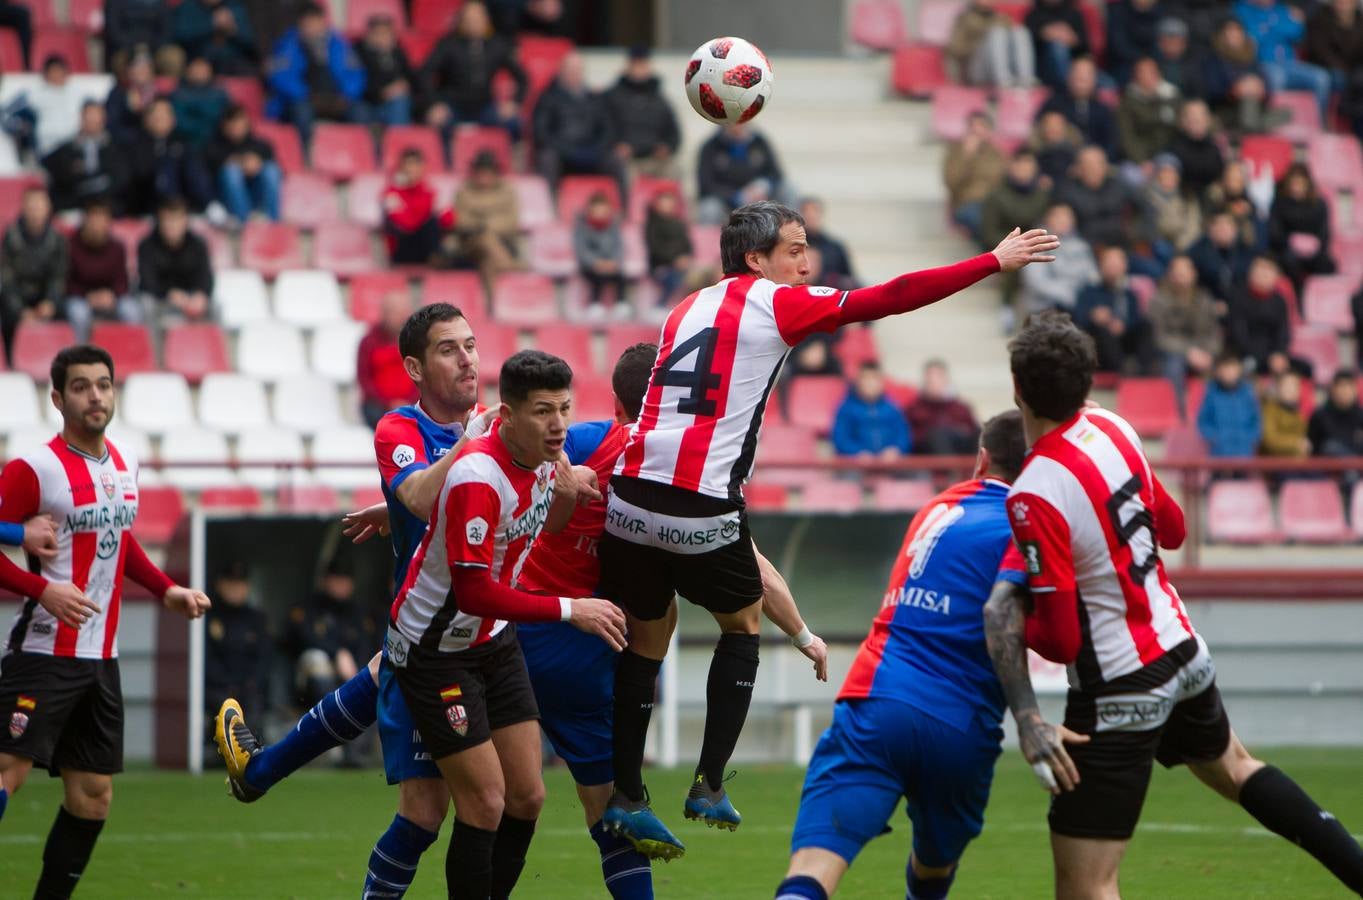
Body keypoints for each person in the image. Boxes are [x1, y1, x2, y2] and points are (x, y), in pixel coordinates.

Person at [596, 201, 1058, 859]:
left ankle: (626, 795)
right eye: (793, 249)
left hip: (628, 501)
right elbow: (889, 298)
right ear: (756, 260)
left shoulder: (684, 307)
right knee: (740, 625)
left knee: (647, 641)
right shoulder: (773, 304)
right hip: (698, 501)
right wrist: (992, 262)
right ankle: (705, 784)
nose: (805, 263)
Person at [986, 311, 1363, 899]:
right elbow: (1176, 528)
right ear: (1088, 383)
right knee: (1237, 768)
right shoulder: (1114, 428)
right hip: (1182, 650)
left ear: (1017, 388)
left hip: (1119, 683)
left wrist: (1009, 616)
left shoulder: (1035, 490)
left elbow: (1061, 642)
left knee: (1087, 886)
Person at [516, 342, 829, 899]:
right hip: (585, 643)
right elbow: (752, 568)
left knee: (486, 803)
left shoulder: (589, 438)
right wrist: (803, 634)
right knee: (595, 812)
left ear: (615, 403)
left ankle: (634, 795)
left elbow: (514, 445)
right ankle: (696, 783)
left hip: (530, 630)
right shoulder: (686, 466)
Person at [217, 303, 494, 900]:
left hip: (490, 631)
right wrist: (414, 493)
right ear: (415, 368)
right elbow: (423, 496)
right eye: (450, 348)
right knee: (428, 811)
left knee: (510, 795)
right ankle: (260, 771)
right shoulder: (403, 429)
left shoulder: (496, 429)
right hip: (431, 636)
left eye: (471, 344)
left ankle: (260, 770)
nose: (468, 357)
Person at [386, 350, 626, 900]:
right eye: (543, 411)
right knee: (485, 802)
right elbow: (471, 591)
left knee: (527, 798)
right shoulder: (478, 475)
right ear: (507, 416)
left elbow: (541, 526)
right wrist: (572, 609)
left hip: (491, 638)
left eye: (564, 408)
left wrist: (566, 490)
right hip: (435, 647)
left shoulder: (546, 458)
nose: (559, 423)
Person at [774, 412, 1030, 900]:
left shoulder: (934, 508)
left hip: (877, 701)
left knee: (813, 868)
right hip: (961, 724)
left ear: (981, 460)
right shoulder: (1025, 528)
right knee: (934, 869)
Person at [0, 344, 210, 893]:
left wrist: (166, 590)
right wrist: (42, 588)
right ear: (57, 398)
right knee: (6, 773)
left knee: (93, 796)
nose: (95, 395)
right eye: (81, 386)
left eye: (103, 384)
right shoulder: (35, 468)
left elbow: (119, 541)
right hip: (44, 652)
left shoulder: (125, 461)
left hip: (102, 658)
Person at [283, 556, 377, 721]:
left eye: (345, 580)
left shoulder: (359, 613)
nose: (341, 585)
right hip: (312, 684)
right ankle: (332, 719)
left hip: (351, 678)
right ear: (326, 580)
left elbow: (366, 646)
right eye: (337, 579)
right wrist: (337, 653)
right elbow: (302, 638)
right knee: (316, 658)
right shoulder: (309, 607)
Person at [421, 0, 526, 142]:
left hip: (484, 107)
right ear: (461, 21)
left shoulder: (497, 45)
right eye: (469, 19)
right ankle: (448, 162)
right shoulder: (448, 44)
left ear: (486, 20)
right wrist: (433, 104)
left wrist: (514, 103)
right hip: (453, 106)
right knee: (438, 124)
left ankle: (507, 161)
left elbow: (522, 77)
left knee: (513, 124)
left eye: (477, 18)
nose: (473, 23)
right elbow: (425, 73)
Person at [265, 2, 367, 145]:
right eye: (308, 23)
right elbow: (280, 76)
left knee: (361, 113)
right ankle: (306, 155)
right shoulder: (288, 44)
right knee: (302, 113)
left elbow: (355, 73)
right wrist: (304, 94)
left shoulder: (339, 44)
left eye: (316, 21)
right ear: (300, 23)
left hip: (335, 100)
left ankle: (360, 154)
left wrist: (346, 95)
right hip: (302, 99)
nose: (313, 27)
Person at [533, 51, 625, 197]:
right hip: (562, 155)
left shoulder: (596, 98)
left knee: (615, 160)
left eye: (577, 70)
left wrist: (595, 150)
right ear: (561, 71)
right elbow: (541, 133)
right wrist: (568, 151)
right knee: (547, 158)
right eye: (570, 70)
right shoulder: (547, 98)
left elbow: (608, 130)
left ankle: (623, 211)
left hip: (592, 153)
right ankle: (549, 210)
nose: (574, 74)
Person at [0, 187, 67, 366]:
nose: (35, 210)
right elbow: (6, 278)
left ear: (48, 208)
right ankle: (9, 365)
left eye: (39, 205)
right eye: (31, 205)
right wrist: (20, 310)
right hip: (16, 300)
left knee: (70, 312)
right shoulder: (10, 237)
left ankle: (59, 366)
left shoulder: (57, 239)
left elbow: (59, 276)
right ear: (23, 208)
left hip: (45, 300)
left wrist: (50, 303)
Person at [204, 561, 270, 740]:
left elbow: (263, 659)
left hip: (248, 687)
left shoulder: (257, 619)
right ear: (220, 585)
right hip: (218, 688)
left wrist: (249, 683)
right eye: (230, 584)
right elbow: (205, 659)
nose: (235, 589)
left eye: (240, 584)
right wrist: (226, 684)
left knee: (254, 706)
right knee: (224, 708)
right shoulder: (208, 616)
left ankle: (253, 756)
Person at [1236, 0, 1332, 118]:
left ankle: (1317, 122)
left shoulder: (1282, 8)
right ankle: (1277, 123)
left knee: (1321, 78)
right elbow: (1251, 37)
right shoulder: (1243, 9)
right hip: (1263, 64)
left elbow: (1297, 32)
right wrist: (1279, 28)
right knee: (1277, 78)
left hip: (1290, 64)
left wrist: (1267, 28)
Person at [1149, 254, 1220, 414]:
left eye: (1185, 271)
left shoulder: (1204, 299)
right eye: (1177, 272)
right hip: (1171, 353)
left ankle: (1212, 416)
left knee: (1225, 368)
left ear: (1193, 273)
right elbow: (1158, 336)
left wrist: (1208, 353)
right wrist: (1189, 352)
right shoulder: (1159, 300)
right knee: (1174, 366)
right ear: (1170, 274)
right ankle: (1177, 414)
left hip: (1203, 351)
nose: (1181, 276)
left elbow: (1214, 332)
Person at [65, 200, 142, 342]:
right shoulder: (71, 246)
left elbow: (123, 281)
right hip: (81, 298)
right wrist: (88, 296)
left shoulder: (118, 247)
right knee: (78, 313)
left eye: (102, 220)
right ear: (84, 220)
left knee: (131, 311)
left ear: (108, 223)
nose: (97, 226)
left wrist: (112, 295)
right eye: (93, 219)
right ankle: (80, 356)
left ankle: (130, 354)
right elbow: (67, 281)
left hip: (110, 298)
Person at [122, 97, 214, 215]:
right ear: (146, 119)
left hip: (183, 208)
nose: (160, 118)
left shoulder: (183, 145)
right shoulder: (133, 145)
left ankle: (209, 207)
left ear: (173, 120)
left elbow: (195, 178)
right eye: (155, 114)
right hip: (144, 207)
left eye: (164, 114)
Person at [603, 46, 681, 179]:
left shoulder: (660, 100)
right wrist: (615, 145)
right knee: (624, 172)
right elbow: (604, 127)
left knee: (674, 170)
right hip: (628, 159)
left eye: (643, 64)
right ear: (628, 66)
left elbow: (674, 132)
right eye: (636, 64)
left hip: (655, 158)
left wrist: (668, 147)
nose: (640, 69)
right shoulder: (612, 97)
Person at [1075, 245, 1155, 374]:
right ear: (1101, 265)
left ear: (1125, 266)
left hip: (1124, 339)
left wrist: (1124, 325)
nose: (1113, 268)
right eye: (1109, 263)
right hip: (1101, 344)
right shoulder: (1088, 292)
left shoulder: (1129, 294)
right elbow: (1079, 318)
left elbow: (1136, 318)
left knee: (1146, 325)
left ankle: (1145, 371)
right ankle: (1121, 370)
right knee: (1101, 330)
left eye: (1117, 264)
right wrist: (1093, 316)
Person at [137, 196, 215, 325]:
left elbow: (206, 278)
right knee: (145, 303)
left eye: (175, 220)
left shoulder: (198, 245)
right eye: (166, 220)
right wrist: (169, 294)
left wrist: (200, 295)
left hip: (190, 298)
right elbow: (147, 283)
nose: (170, 225)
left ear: (185, 221)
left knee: (213, 305)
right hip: (160, 298)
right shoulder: (147, 246)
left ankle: (209, 344)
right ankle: (151, 343)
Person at [696, 123, 791, 225]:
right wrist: (737, 196)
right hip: (726, 204)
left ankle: (791, 233)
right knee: (709, 208)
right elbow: (706, 185)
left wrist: (762, 185)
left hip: (760, 199)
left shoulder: (759, 142)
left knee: (788, 189)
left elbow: (775, 173)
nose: (738, 125)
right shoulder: (711, 147)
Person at [1054, 145, 1145, 251]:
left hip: (1123, 245)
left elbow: (1146, 207)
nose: (1094, 169)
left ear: (1106, 166)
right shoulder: (1067, 192)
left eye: (1098, 164)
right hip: (1087, 248)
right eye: (1088, 165)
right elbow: (1059, 221)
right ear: (1079, 169)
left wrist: (1137, 231)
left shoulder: (1119, 185)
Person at [1203, 18, 1284, 134]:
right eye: (1229, 32)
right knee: (1249, 102)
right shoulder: (1214, 60)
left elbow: (1267, 87)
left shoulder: (1251, 57)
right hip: (1228, 109)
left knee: (1286, 113)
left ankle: (1248, 130)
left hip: (1256, 109)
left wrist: (1260, 88)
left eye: (1237, 31)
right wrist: (1235, 90)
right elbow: (1212, 91)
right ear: (1222, 35)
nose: (1233, 35)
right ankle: (1251, 131)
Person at [41, 101, 124, 214]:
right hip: (73, 207)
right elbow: (59, 176)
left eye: (96, 116)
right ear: (81, 118)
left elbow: (120, 180)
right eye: (88, 116)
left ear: (104, 118)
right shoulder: (66, 150)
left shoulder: (117, 148)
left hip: (108, 209)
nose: (92, 120)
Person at [204, 103, 282, 223]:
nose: (236, 127)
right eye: (232, 123)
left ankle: (273, 221)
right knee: (231, 172)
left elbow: (280, 173)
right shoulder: (213, 147)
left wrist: (257, 163)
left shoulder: (261, 145)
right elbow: (206, 176)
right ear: (224, 125)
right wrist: (239, 163)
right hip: (225, 202)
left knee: (270, 170)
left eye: (239, 122)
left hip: (256, 195)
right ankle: (244, 223)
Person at [454, 150, 522, 285]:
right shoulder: (464, 191)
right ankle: (510, 265)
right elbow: (460, 221)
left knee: (488, 261)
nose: (483, 176)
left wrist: (486, 226)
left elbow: (512, 221)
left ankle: (490, 305)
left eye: (487, 171)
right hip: (470, 245)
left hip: (503, 242)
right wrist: (483, 227)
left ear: (495, 172)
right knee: (483, 237)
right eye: (480, 171)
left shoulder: (507, 191)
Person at [1267, 162, 1335, 291]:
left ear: (1307, 184)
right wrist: (1292, 242)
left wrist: (1313, 246)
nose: (1296, 186)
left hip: (1314, 253)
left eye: (1300, 182)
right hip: (1286, 252)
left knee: (1327, 266)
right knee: (1289, 263)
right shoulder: (1279, 203)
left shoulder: (1319, 204)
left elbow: (1324, 233)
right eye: (1293, 182)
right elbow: (1275, 232)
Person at [1019, 203, 1095, 317]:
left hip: (1078, 306)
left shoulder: (1081, 245)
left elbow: (1092, 276)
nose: (1064, 221)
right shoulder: (1036, 245)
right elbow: (1037, 283)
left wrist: (1084, 297)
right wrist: (1068, 295)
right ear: (1048, 219)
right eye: (1059, 217)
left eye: (1068, 217)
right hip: (1045, 308)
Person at [357, 290, 418, 428]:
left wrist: (407, 402)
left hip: (412, 404)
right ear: (384, 313)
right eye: (395, 312)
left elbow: (423, 378)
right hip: (378, 406)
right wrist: (387, 403)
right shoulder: (369, 342)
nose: (400, 317)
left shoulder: (416, 342)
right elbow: (364, 379)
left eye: (403, 312)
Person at [382, 149, 455, 266]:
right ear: (401, 168)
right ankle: (437, 257)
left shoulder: (430, 191)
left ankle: (438, 258)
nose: (412, 169)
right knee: (431, 222)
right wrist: (427, 211)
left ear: (423, 167)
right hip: (402, 250)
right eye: (408, 164)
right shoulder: (391, 194)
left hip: (425, 247)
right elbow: (405, 225)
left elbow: (449, 219)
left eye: (416, 164)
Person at [1038, 56, 1118, 159]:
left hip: (1096, 163)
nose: (1081, 79)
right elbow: (1039, 133)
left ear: (1094, 79)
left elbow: (1111, 142)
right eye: (1077, 74)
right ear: (1069, 76)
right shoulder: (1054, 104)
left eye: (1086, 76)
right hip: (1060, 161)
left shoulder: (1103, 110)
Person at [943, 111, 1005, 244]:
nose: (976, 130)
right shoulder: (956, 153)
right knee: (981, 220)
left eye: (981, 126)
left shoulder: (997, 155)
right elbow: (951, 183)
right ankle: (997, 251)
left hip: (994, 204)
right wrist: (966, 157)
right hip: (968, 204)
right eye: (972, 126)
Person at [1227, 255, 1292, 375]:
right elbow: (1239, 336)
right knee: (1247, 367)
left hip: (1273, 356)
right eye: (1260, 268)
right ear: (1251, 272)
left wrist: (1279, 353)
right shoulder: (1238, 297)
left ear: (1276, 276)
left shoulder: (1279, 301)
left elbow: (1283, 332)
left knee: (1303, 368)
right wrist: (1267, 357)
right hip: (1245, 354)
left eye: (1268, 269)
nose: (1263, 273)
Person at [831, 362, 912, 458]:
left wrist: (896, 449)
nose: (870, 383)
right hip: (855, 462)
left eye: (874, 379)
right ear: (858, 382)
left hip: (890, 461)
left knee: (919, 472)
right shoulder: (846, 409)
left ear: (881, 383)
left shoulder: (893, 408)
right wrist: (857, 452)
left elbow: (903, 435)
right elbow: (841, 439)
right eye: (866, 379)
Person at [947, 0, 1036, 88]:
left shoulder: (1000, 17)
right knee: (997, 34)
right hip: (975, 68)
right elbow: (955, 49)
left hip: (1003, 66)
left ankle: (1025, 78)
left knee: (1020, 31)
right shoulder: (965, 18)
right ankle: (1003, 80)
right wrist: (981, 40)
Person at [905, 359, 982, 455]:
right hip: (930, 457)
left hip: (961, 451)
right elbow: (909, 439)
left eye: (939, 377)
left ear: (946, 380)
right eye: (930, 378)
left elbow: (973, 432)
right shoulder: (914, 409)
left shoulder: (961, 408)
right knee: (937, 436)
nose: (934, 382)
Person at [981, 150, 1052, 251]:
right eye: (1019, 163)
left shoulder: (1042, 195)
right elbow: (989, 235)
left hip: (1038, 250)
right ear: (1011, 167)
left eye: (1027, 163)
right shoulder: (996, 196)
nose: (1023, 168)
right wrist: (1019, 246)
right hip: (1006, 252)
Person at [1118, 56, 1182, 165]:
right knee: (1131, 176)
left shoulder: (1172, 96)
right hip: (1137, 157)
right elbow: (1127, 136)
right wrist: (1141, 160)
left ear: (1159, 73)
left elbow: (1180, 126)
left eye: (1152, 72)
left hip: (1168, 153)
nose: (1148, 76)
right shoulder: (1127, 101)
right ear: (1136, 76)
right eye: (1143, 72)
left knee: (1169, 167)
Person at [354, 14, 414, 126]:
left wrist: (404, 85)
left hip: (393, 103)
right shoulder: (359, 52)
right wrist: (384, 92)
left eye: (387, 33)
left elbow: (411, 76)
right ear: (369, 35)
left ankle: (398, 141)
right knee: (359, 112)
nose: (383, 37)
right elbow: (360, 84)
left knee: (401, 102)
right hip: (367, 103)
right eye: (379, 33)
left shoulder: (397, 53)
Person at [575, 191, 628, 320]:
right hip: (591, 265)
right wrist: (596, 263)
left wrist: (614, 262)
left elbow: (619, 246)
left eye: (603, 210)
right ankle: (594, 303)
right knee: (596, 278)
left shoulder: (613, 226)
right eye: (597, 210)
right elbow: (581, 249)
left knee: (620, 277)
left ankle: (620, 304)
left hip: (610, 263)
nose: (600, 213)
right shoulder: (582, 227)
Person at [1198, 352, 1263, 457]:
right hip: (1219, 453)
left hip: (1244, 452)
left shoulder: (1248, 393)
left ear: (1239, 370)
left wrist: (1250, 438)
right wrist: (1214, 438)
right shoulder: (1211, 393)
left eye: (1232, 369)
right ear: (1219, 372)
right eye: (1225, 369)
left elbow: (1256, 420)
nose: (1229, 373)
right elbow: (1203, 421)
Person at [171, 0, 259, 77]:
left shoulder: (235, 7)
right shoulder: (189, 6)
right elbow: (180, 36)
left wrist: (233, 30)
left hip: (232, 60)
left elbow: (251, 42)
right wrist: (212, 24)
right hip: (196, 59)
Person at [1144, 154, 1202, 262]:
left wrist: (1181, 247)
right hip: (1156, 247)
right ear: (1157, 174)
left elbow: (1193, 226)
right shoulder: (1146, 196)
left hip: (1184, 247)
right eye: (1164, 171)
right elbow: (1155, 227)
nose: (1168, 175)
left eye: (1173, 172)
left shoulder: (1187, 196)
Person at [31, 55, 90, 159]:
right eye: (53, 71)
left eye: (59, 71)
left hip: (75, 146)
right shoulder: (35, 95)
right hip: (47, 147)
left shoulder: (80, 94)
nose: (57, 75)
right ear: (46, 74)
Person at [1189, 211, 1255, 301]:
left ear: (1235, 230)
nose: (1223, 230)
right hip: (1204, 302)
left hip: (1238, 303)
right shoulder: (1197, 252)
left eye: (1227, 226)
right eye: (1219, 226)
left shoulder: (1245, 251)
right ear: (1210, 229)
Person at [645, 189, 693, 311]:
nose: (667, 206)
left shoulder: (679, 224)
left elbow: (688, 245)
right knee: (673, 279)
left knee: (696, 278)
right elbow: (655, 249)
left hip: (681, 265)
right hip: (659, 265)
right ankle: (660, 306)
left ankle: (690, 308)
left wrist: (685, 258)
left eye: (670, 202)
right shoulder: (651, 225)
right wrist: (675, 260)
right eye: (664, 202)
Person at [1167, 98, 1225, 200]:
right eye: (1191, 116)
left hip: (1210, 202)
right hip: (1181, 200)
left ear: (1208, 120)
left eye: (1201, 116)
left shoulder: (1216, 147)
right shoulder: (1173, 150)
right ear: (1182, 121)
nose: (1196, 120)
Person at [1026, 0, 1092, 88]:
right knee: (1058, 47)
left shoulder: (1074, 13)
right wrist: (1044, 34)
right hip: (1044, 70)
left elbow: (1086, 48)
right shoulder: (1034, 15)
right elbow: (1026, 48)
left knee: (1108, 83)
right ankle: (1068, 88)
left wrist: (1073, 39)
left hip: (1076, 67)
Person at [170, 56, 230, 148]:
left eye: (203, 69)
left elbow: (226, 116)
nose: (199, 72)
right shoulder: (178, 94)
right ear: (188, 71)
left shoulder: (220, 93)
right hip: (185, 140)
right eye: (196, 69)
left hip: (217, 140)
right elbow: (178, 120)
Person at [1305, 0, 1363, 93]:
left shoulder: (1360, 20)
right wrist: (1344, 70)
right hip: (1326, 68)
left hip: (1353, 69)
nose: (1344, 3)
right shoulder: (1320, 18)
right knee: (1339, 78)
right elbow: (1321, 52)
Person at [800, 198, 858, 289]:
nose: (810, 215)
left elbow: (849, 279)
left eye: (815, 210)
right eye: (806, 211)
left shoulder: (835, 248)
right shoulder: (792, 246)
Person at [1106, 0, 1167, 84]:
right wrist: (1141, 61)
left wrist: (1150, 62)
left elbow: (1161, 43)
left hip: (1153, 61)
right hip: (1125, 62)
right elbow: (1118, 45)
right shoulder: (1118, 11)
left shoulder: (1161, 11)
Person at [105, 51, 159, 144]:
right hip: (127, 144)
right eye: (136, 67)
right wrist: (129, 108)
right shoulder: (118, 93)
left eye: (145, 67)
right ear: (128, 71)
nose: (141, 71)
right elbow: (112, 125)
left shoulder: (160, 93)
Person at [1309, 370, 1363, 458]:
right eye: (1341, 386)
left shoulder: (1360, 416)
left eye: (1349, 386)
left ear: (1355, 390)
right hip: (1327, 468)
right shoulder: (1320, 416)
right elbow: (1313, 448)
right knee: (1330, 447)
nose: (1345, 391)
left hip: (1357, 465)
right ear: (1333, 389)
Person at [1260, 369, 1311, 458]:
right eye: (1287, 385)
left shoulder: (1299, 414)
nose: (1291, 390)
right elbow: (1270, 441)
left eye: (1294, 386)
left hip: (1298, 463)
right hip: (1276, 464)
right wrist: (1296, 443)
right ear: (1278, 388)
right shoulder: (1269, 410)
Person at [1028, 109, 1083, 186]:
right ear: (1042, 128)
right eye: (1048, 125)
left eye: (1057, 125)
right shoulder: (1032, 152)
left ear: (1065, 127)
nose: (1052, 128)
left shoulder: (1079, 152)